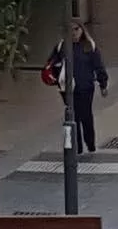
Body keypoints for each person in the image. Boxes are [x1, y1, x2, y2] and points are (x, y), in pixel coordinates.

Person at [47, 20, 109, 154]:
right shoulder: (62, 47)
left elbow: (98, 66)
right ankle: (77, 148)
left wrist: (103, 84)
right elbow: (51, 64)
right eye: (71, 30)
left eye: (77, 29)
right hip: (67, 89)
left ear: (82, 30)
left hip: (85, 87)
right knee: (73, 117)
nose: (74, 33)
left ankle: (90, 144)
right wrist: (57, 78)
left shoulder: (89, 46)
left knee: (85, 116)